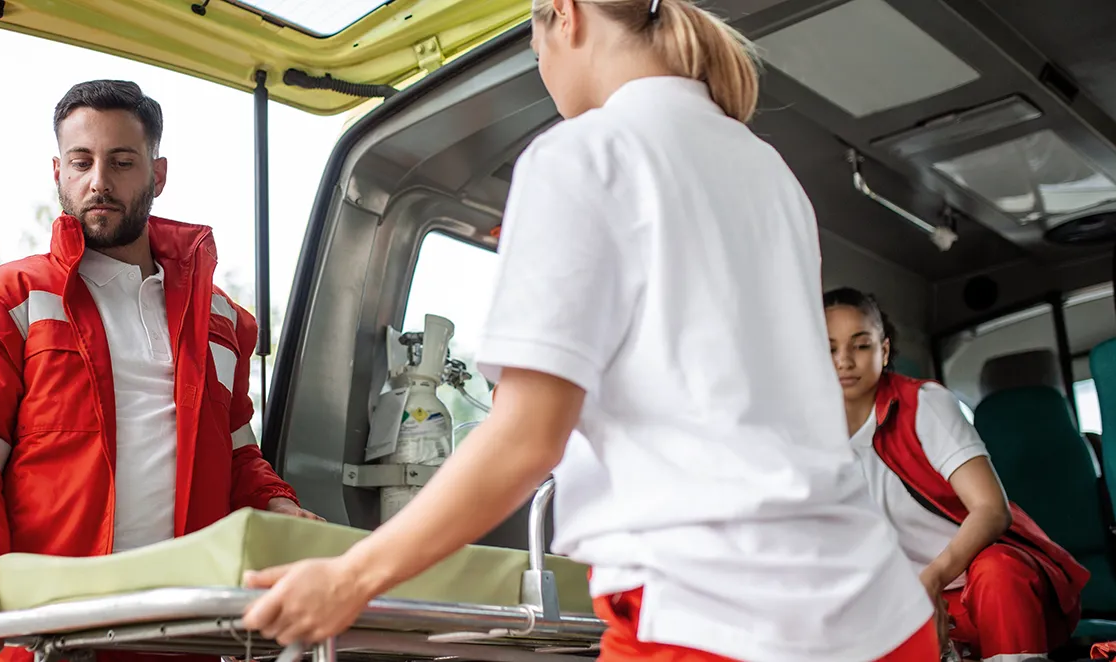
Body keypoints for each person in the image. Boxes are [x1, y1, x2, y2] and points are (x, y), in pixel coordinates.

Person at [239, 1, 939, 660]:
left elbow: (527, 437)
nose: (541, 62)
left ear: (565, 15)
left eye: (534, 37)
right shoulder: (767, 168)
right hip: (881, 615)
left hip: (716, 616)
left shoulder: (583, 153)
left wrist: (351, 576)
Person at [0, 79, 320, 662]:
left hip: (185, 635)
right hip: (48, 633)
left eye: (122, 161)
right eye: (82, 161)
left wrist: (276, 502)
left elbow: (237, 453)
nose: (100, 180)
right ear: (58, 172)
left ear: (158, 173)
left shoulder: (222, 321)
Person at [823, 287, 1088, 662]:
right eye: (830, 348)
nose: (844, 361)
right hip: (900, 601)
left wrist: (932, 579)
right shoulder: (811, 438)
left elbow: (992, 510)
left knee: (998, 571)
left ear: (883, 351)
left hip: (977, 588)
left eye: (860, 345)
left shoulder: (924, 405)